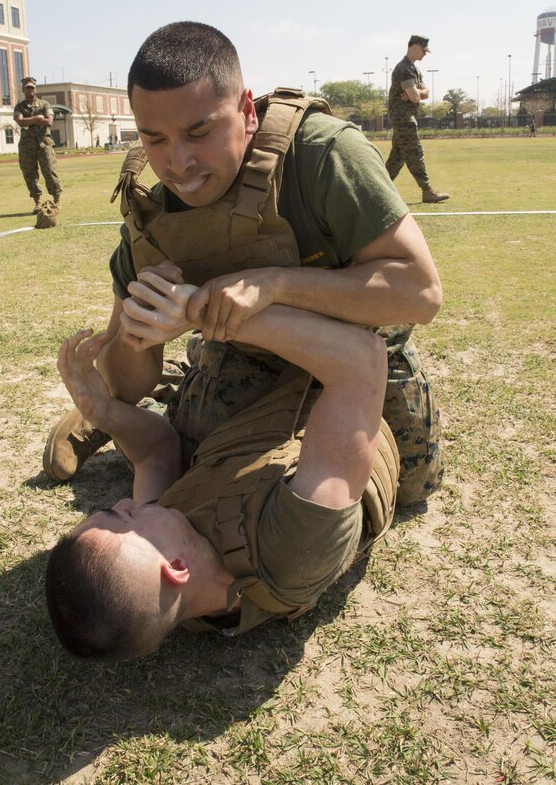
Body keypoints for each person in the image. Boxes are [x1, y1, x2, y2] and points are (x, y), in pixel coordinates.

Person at [42, 21, 444, 507]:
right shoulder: (153, 211)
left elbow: (420, 292)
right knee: (196, 472)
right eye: (155, 139)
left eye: (199, 132)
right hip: (245, 353)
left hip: (361, 350)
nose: (178, 164)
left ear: (247, 112)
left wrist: (274, 284)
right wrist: (137, 331)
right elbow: (126, 380)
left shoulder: (320, 154)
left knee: (410, 485)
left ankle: (178, 389)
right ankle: (120, 416)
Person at [46, 267, 396, 658]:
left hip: (267, 415)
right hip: (351, 387)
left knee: (208, 395)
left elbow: (155, 453)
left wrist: (105, 412)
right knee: (389, 312)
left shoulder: (169, 554)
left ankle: (185, 376)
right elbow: (362, 360)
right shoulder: (293, 549)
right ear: (176, 568)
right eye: (123, 517)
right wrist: (203, 311)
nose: (127, 503)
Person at [385, 36, 450, 203]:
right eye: (423, 50)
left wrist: (417, 92)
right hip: (403, 118)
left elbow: (424, 93)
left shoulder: (414, 69)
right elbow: (415, 97)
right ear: (413, 47)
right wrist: (417, 93)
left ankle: (377, 189)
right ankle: (427, 190)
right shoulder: (404, 69)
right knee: (415, 152)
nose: (425, 54)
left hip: (406, 116)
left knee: (397, 157)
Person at [13, 76, 63, 213]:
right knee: (30, 174)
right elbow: (20, 122)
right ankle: (38, 202)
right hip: (27, 146)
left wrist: (31, 120)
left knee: (49, 171)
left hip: (44, 144)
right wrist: (38, 118)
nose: (30, 91)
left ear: (35, 89)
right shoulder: (19, 106)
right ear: (23, 89)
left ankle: (57, 200)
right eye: (27, 88)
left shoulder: (44, 104)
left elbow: (49, 122)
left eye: (32, 88)